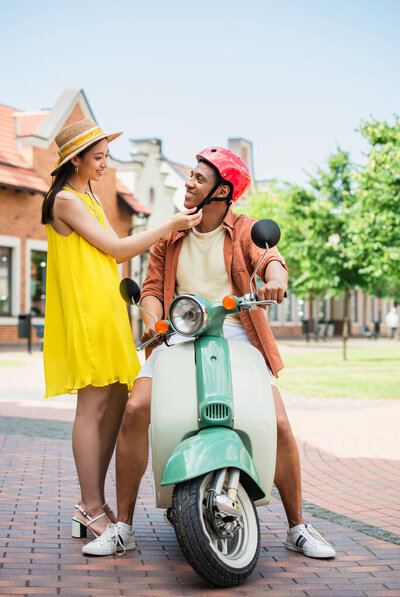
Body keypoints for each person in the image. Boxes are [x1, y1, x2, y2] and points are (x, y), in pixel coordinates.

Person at [82, 147, 335, 559]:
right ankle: (124, 527)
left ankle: (298, 525)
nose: (189, 183)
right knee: (136, 409)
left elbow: (271, 259)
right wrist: (150, 316)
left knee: (280, 424)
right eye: (192, 176)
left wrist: (275, 280)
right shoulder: (170, 234)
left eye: (199, 179)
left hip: (236, 332)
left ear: (221, 191)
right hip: (180, 331)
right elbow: (150, 288)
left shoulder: (247, 229)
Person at [42, 118, 202, 544]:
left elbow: (112, 253)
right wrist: (169, 226)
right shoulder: (64, 201)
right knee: (91, 407)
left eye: (106, 156)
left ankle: (91, 504)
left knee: (117, 398)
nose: (104, 164)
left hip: (109, 308)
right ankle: (90, 506)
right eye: (97, 158)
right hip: (86, 314)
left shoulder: (90, 195)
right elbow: (115, 250)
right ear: (73, 160)